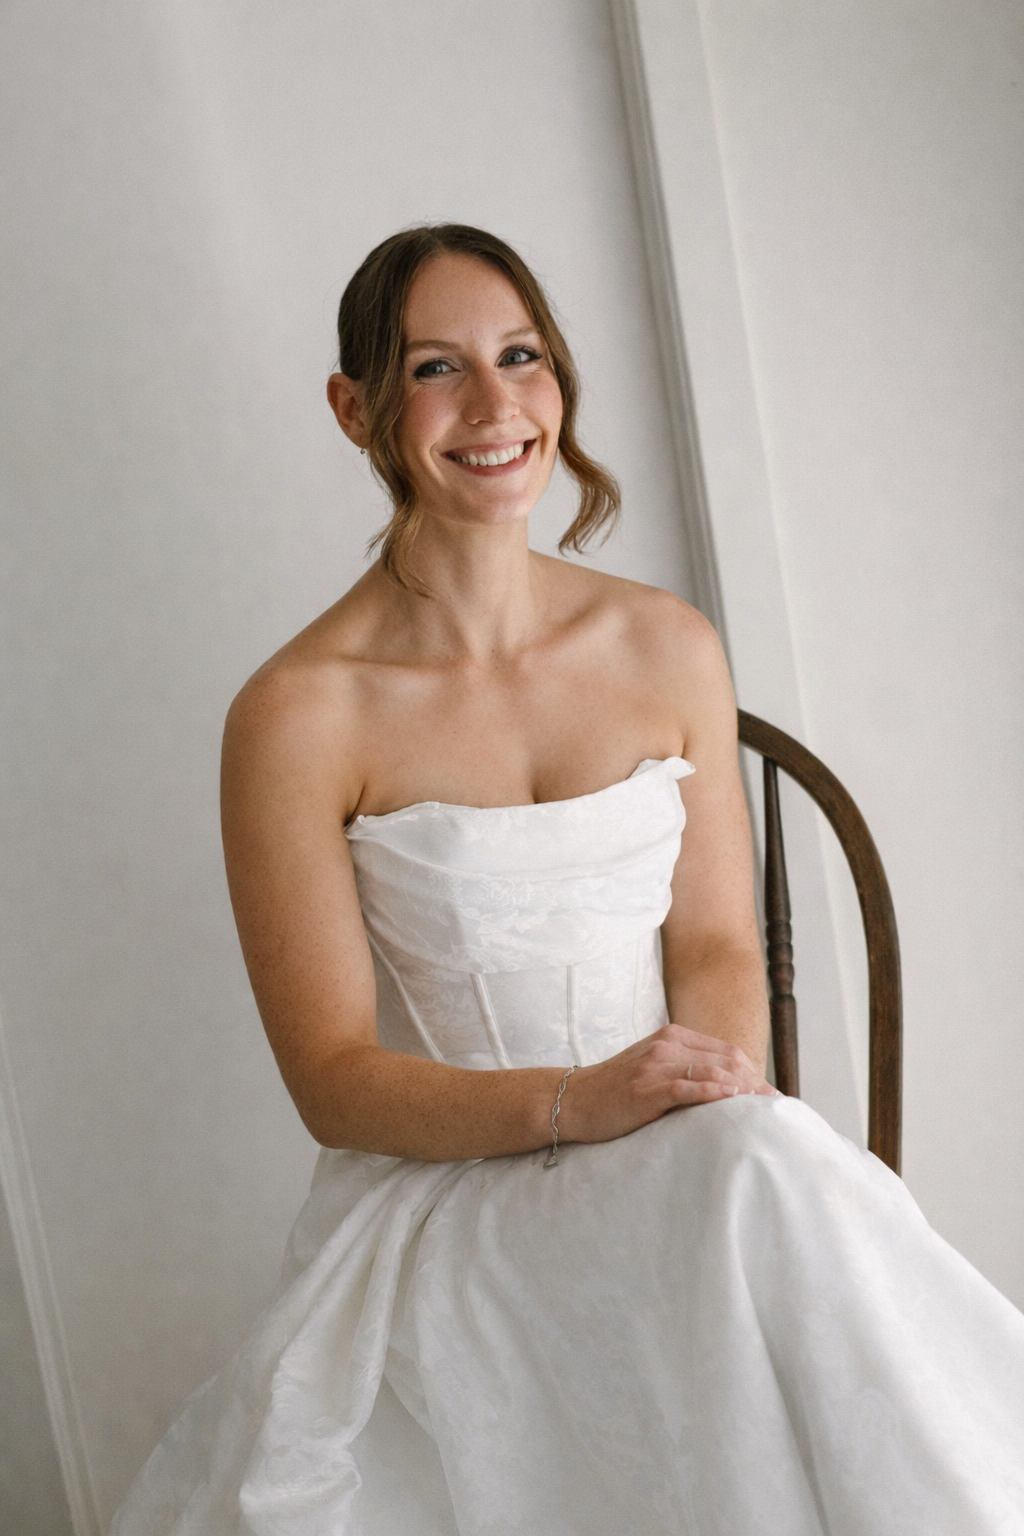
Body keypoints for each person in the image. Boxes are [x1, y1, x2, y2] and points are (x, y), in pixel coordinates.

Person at [111, 225, 1024, 1536]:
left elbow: (717, 945)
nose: (497, 406)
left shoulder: (665, 644)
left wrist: (695, 1107)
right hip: (452, 1195)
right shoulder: (297, 713)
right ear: (356, 408)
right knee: (761, 1179)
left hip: (686, 1151)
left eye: (523, 356)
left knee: (758, 1162)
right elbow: (332, 1078)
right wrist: (581, 1104)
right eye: (437, 368)